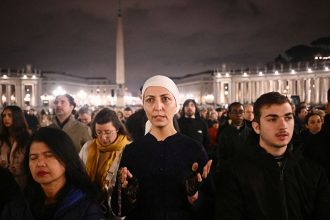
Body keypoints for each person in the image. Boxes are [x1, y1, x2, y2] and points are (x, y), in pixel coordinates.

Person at [111, 75, 214, 220]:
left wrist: (195, 198)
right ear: (144, 105)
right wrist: (130, 196)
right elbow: (118, 209)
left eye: (165, 99)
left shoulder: (194, 150)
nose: (157, 107)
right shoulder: (132, 151)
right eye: (150, 100)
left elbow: (211, 207)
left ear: (176, 104)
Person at [216, 92, 330, 220]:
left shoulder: (314, 171)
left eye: (288, 118)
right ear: (257, 127)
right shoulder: (234, 173)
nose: (283, 126)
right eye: (272, 119)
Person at [24, 127, 105, 220]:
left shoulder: (86, 205)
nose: (40, 163)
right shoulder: (22, 202)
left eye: (49, 156)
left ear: (66, 158)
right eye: (33, 158)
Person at [79, 108, 131, 217]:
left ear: (117, 129)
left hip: (118, 207)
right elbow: (79, 173)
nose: (103, 137)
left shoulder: (128, 149)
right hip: (91, 204)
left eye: (108, 132)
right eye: (99, 132)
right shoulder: (88, 147)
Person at [0, 105, 31, 190]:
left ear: (17, 117)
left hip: (22, 183)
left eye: (10, 115)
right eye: (4, 116)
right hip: (4, 182)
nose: (6, 118)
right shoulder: (2, 138)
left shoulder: (26, 138)